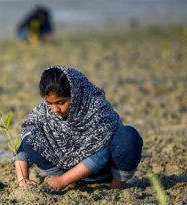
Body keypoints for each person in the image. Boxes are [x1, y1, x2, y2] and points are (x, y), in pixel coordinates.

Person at [14, 66, 143, 191]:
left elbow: (102, 154)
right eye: (50, 103)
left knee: (128, 135)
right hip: (65, 172)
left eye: (61, 102)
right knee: (30, 138)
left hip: (105, 171)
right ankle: (72, 182)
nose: (55, 109)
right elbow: (24, 141)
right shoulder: (43, 112)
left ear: (76, 95)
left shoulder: (97, 109)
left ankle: (117, 186)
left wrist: (63, 180)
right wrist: (22, 178)